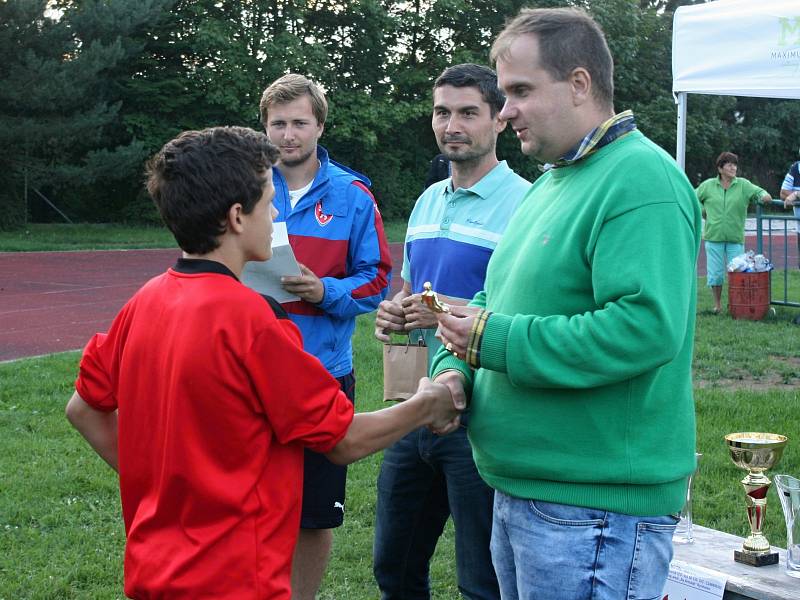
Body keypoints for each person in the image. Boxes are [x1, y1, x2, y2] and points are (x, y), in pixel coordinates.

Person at [64, 126, 460, 600]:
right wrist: (427, 402)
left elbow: (83, 409)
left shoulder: (143, 302)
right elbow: (341, 440)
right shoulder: (252, 321)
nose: (276, 213)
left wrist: (156, 486)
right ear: (236, 217)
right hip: (235, 578)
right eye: (269, 201)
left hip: (153, 571)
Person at [429, 8, 702, 599]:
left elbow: (644, 328)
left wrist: (492, 340)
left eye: (521, 91)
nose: (506, 112)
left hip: (593, 511)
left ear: (580, 84)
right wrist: (454, 369)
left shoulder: (641, 180)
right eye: (504, 94)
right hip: (530, 492)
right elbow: (493, 297)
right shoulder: (554, 181)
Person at [372, 63, 529, 600]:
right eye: (442, 112)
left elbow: (515, 309)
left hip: (480, 414)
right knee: (393, 567)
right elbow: (413, 288)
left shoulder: (527, 204)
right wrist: (395, 312)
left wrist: (433, 309)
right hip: (415, 402)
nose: (451, 124)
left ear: (499, 121)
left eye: (468, 112)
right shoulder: (427, 200)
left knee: (482, 581)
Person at [259, 74, 392, 599]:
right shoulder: (246, 186)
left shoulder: (353, 195)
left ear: (319, 125)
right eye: (278, 124)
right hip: (252, 373)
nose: (288, 135)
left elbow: (378, 277)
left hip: (320, 375)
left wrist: (327, 292)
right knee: (249, 503)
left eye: (299, 123)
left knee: (313, 515)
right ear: (264, 127)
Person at [695, 151, 772, 314]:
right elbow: (692, 198)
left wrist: (764, 196)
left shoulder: (743, 184)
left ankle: (735, 305)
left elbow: (760, 193)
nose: (733, 167)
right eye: (729, 164)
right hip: (713, 237)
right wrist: (702, 210)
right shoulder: (708, 185)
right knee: (715, 274)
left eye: (735, 164)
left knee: (737, 273)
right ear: (720, 168)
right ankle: (717, 305)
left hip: (735, 238)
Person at [779, 151, 800, 269]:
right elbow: (783, 193)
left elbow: (789, 193)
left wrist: (796, 194)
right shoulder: (795, 168)